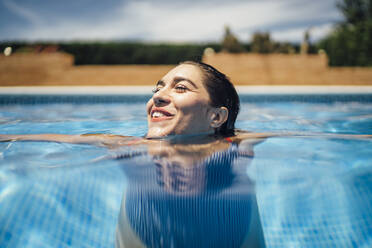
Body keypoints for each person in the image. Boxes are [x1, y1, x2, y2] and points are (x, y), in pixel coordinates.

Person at [0, 61, 271, 147]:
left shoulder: (237, 146)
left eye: (180, 87)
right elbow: (61, 139)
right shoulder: (129, 147)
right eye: (158, 87)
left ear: (216, 117)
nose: (158, 96)